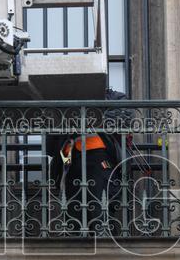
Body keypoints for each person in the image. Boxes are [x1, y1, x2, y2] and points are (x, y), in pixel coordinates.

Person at [47, 89, 129, 234]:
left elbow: (126, 115)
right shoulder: (62, 101)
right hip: (70, 163)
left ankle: (105, 249)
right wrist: (66, 117)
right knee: (73, 217)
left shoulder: (112, 97)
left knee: (100, 212)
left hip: (99, 160)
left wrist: (92, 114)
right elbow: (50, 146)